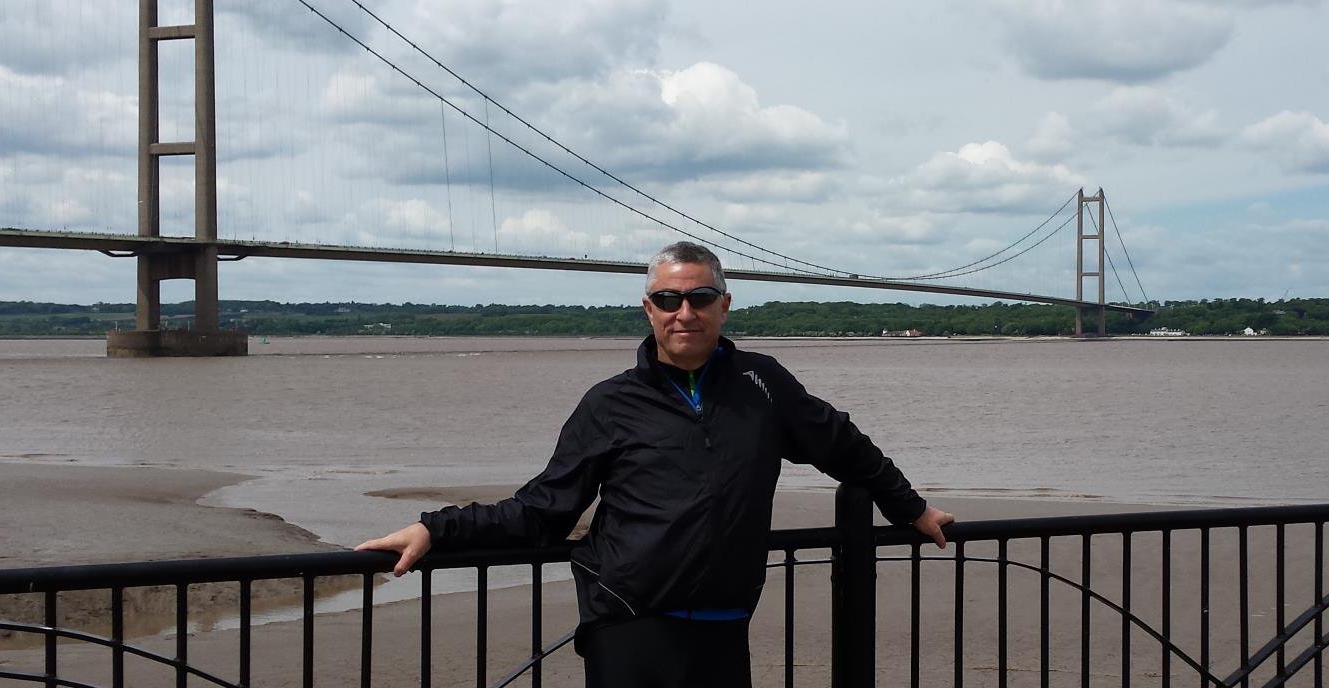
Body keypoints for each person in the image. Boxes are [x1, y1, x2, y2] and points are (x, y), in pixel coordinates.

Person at [357, 240, 955, 687]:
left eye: (699, 298)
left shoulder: (763, 384)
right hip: (629, 626)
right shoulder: (610, 403)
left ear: (725, 305)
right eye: (668, 300)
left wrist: (911, 508)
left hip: (725, 626)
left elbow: (844, 446)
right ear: (649, 309)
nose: (684, 312)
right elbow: (544, 507)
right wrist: (437, 528)